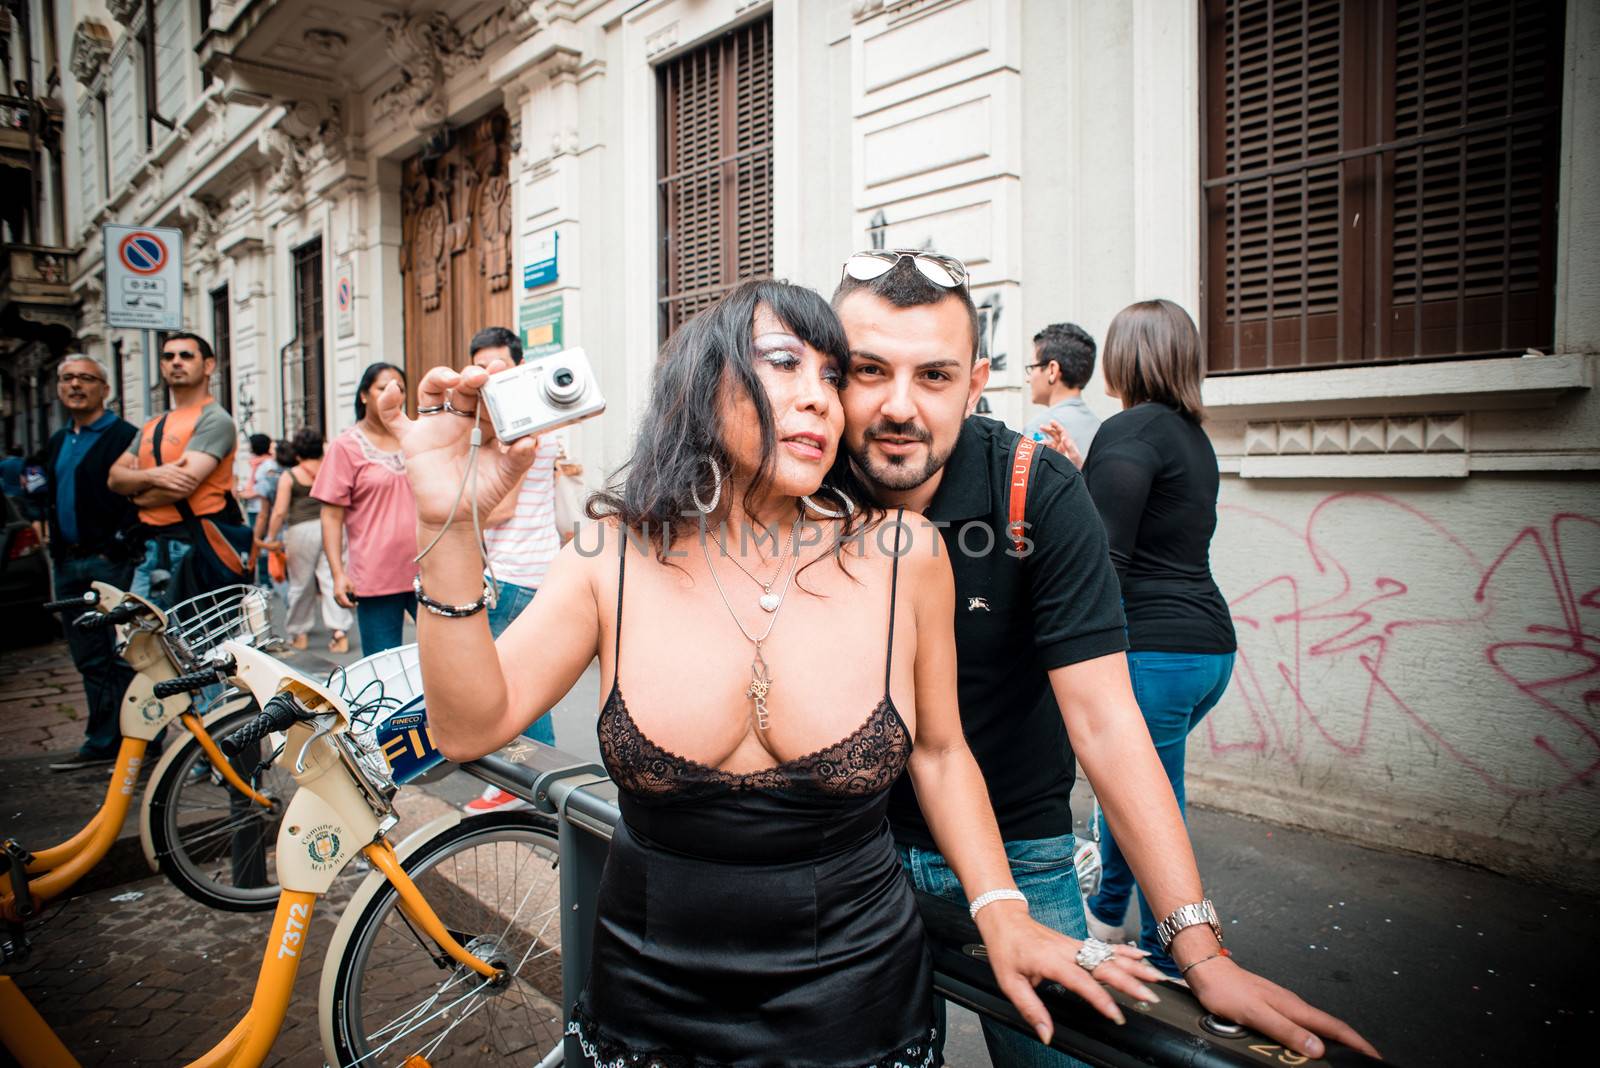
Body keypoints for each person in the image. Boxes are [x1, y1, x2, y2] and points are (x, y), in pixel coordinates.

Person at [389, 280, 1166, 1066]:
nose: (819, 399)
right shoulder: (609, 556)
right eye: (785, 364)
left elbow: (939, 753)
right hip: (648, 1007)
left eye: (831, 376)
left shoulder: (905, 557)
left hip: (859, 1009)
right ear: (703, 382)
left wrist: (1002, 911)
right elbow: (467, 727)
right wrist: (445, 523)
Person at [832, 250, 1376, 1066]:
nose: (899, 406)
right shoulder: (802, 483)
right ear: (831, 375)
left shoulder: (1036, 490)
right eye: (870, 371)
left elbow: (1107, 721)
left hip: (1018, 845)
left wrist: (1200, 950)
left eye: (935, 376)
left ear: (977, 384)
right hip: (844, 850)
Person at [1078, 299, 1239, 973]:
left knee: (1147, 804)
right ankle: (1111, 911)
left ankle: (1173, 956)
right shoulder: (1188, 435)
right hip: (1208, 651)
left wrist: (1080, 651)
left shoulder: (1131, 429)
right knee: (1132, 788)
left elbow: (1105, 556)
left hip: (1154, 651)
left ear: (1126, 356)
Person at [460, 326, 565, 814]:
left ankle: (526, 784)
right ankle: (536, 784)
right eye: (482, 367)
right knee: (526, 683)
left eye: (500, 366)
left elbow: (495, 511)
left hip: (515, 573)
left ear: (520, 366)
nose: (490, 376)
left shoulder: (518, 429)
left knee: (512, 686)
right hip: (528, 569)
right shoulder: (527, 422)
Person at [40, 357, 139, 771]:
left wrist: (120, 546)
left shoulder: (123, 436)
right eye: (67, 378)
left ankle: (128, 738)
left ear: (105, 388)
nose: (75, 385)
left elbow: (138, 499)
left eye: (85, 378)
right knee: (87, 655)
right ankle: (106, 736)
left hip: (108, 561)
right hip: (68, 562)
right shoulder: (60, 440)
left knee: (121, 652)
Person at [107, 332, 242, 606]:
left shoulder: (215, 419)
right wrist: (153, 476)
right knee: (138, 641)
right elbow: (114, 478)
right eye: (169, 357)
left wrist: (134, 493)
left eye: (186, 355)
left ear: (208, 365)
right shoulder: (153, 424)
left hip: (192, 547)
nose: (176, 362)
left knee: (189, 640)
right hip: (149, 548)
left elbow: (180, 486)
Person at [315, 363, 416, 655]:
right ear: (363, 396)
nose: (391, 394)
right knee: (383, 668)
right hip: (376, 576)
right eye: (382, 387)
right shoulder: (346, 447)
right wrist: (337, 574)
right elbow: (331, 516)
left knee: (441, 666)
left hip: (427, 572)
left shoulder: (417, 437)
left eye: (399, 388)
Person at [265, 428, 352, 654]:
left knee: (300, 583)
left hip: (300, 530)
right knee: (333, 579)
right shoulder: (329, 469)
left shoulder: (290, 475)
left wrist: (270, 537)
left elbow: (280, 511)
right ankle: (339, 632)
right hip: (332, 528)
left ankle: (299, 632)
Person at [1021, 322, 1102, 462]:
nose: (1028, 378)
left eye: (1032, 367)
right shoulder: (1099, 426)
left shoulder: (1041, 428)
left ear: (1052, 370)